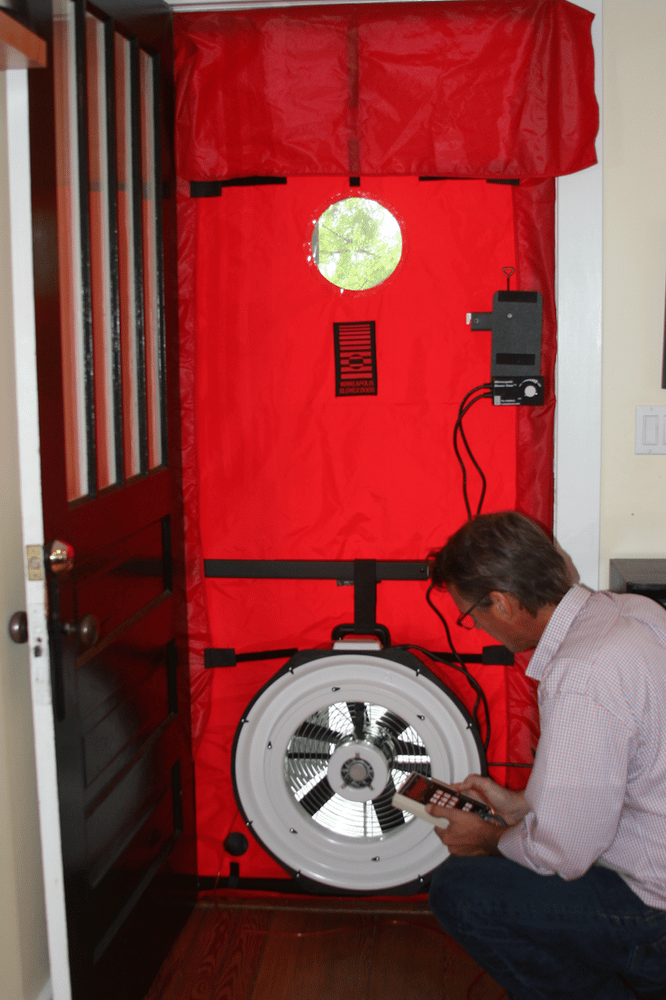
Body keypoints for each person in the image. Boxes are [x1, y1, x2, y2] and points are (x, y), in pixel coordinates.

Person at [425, 511, 666, 1000]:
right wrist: (516, 805)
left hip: (653, 913)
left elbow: (564, 855)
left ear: (503, 603)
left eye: (470, 615)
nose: (477, 629)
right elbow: (625, 779)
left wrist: (488, 839)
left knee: (459, 889)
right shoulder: (636, 612)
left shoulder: (582, 674)